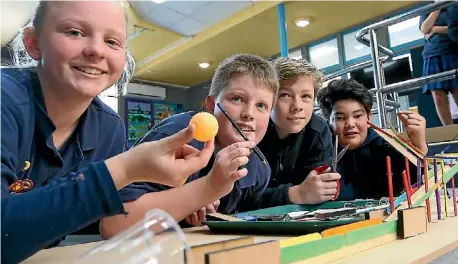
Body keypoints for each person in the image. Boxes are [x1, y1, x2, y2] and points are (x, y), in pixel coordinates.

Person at [1, 1, 214, 264]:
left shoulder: (109, 128)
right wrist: (125, 168)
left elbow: (96, 216)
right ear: (33, 43)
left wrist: (184, 199)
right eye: (74, 32)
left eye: (112, 41)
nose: (96, 50)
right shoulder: (5, 101)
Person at [100, 53, 278, 235]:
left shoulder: (259, 169)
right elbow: (113, 223)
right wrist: (196, 196)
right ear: (211, 105)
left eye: (262, 106)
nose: (249, 113)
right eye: (237, 99)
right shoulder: (179, 135)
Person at [317, 79, 428, 201]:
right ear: (328, 122)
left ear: (369, 117)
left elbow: (421, 189)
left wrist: (420, 147)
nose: (350, 124)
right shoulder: (319, 154)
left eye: (358, 116)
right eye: (340, 118)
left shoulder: (389, 147)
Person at [256, 57, 339, 207]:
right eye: (285, 95)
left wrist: (322, 189)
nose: (297, 106)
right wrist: (296, 193)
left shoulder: (318, 131)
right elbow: (237, 199)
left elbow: (318, 194)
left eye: (306, 96)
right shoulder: (251, 130)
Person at [419, 4, 458, 125]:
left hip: (452, 51)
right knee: (438, 95)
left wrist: (436, 29)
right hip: (431, 54)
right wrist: (437, 7)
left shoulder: (454, 6)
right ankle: (449, 131)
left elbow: (457, 29)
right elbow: (424, 28)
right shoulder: (426, 7)